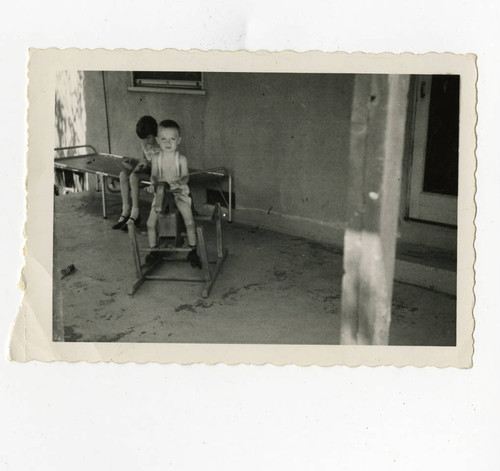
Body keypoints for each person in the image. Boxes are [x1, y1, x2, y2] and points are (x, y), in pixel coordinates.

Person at [145, 119, 202, 269]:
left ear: (179, 140)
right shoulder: (156, 158)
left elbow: (185, 176)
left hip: (177, 190)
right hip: (162, 191)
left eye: (172, 139)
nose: (168, 143)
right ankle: (153, 252)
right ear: (157, 140)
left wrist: (180, 182)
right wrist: (153, 184)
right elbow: (154, 176)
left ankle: (192, 250)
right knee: (150, 223)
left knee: (189, 221)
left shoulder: (181, 159)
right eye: (163, 139)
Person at [112, 115, 160, 231]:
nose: (146, 142)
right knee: (123, 175)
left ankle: (135, 213)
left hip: (158, 173)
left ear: (155, 132)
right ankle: (126, 210)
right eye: (143, 139)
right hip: (148, 169)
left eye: (148, 138)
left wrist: (145, 167)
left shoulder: (161, 144)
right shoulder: (144, 143)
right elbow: (143, 159)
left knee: (133, 177)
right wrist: (134, 164)